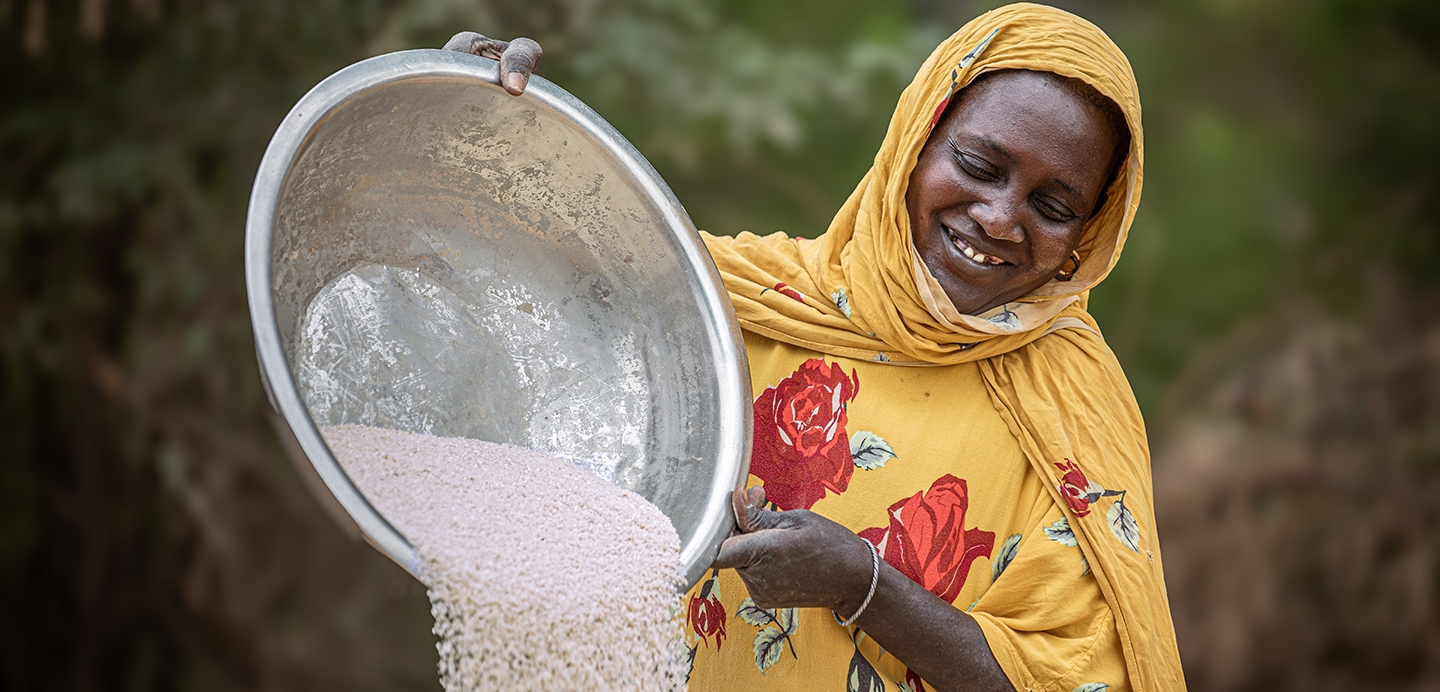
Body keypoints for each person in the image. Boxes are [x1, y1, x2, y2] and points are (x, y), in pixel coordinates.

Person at [446, 4, 1185, 691]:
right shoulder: (733, 298)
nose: (998, 218)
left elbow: (1077, 677)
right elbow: (514, 285)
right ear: (914, 144)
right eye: (979, 167)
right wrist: (487, 127)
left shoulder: (1070, 412)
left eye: (1053, 207)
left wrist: (865, 587)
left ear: (1088, 237)